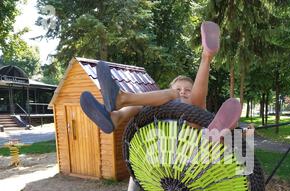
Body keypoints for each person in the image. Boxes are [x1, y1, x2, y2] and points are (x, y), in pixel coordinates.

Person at [80, 21, 242, 134]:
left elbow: (196, 104)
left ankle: (206, 57)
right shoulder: (161, 112)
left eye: (187, 90)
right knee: (146, 104)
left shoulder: (196, 110)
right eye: (179, 89)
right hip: (167, 149)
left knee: (196, 110)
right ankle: (116, 116)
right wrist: (172, 96)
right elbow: (160, 101)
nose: (182, 92)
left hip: (193, 135)